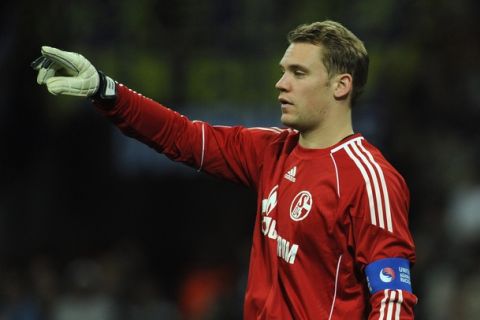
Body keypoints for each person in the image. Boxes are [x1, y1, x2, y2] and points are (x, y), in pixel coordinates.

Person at [32, 20, 417, 319]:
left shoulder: (370, 179)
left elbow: (394, 296)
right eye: (283, 71)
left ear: (341, 85)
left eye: (298, 73)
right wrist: (105, 89)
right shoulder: (270, 151)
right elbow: (181, 136)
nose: (280, 84)